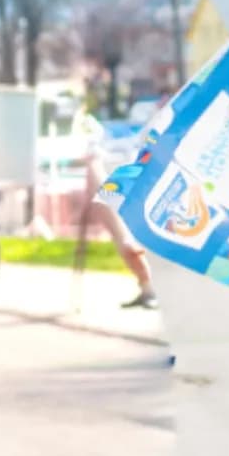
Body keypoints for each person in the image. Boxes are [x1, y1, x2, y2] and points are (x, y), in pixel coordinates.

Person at [71, 102, 158, 309]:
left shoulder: (104, 149)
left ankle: (151, 290)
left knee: (129, 245)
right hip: (105, 202)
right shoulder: (103, 146)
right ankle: (146, 288)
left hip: (111, 201)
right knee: (125, 246)